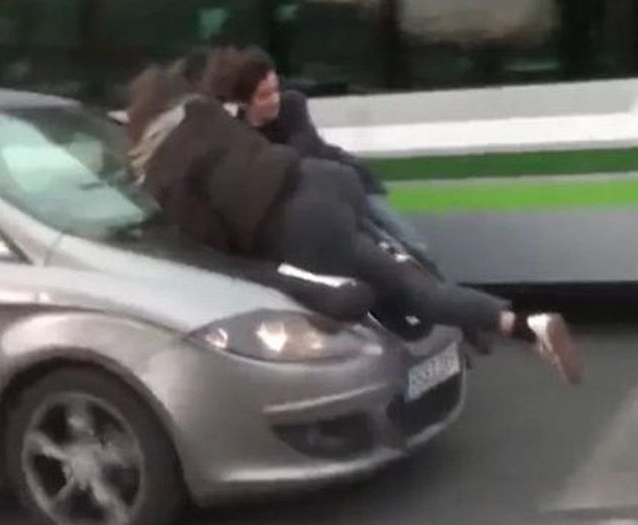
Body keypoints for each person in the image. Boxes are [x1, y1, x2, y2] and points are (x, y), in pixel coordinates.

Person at [125, 52, 582, 385]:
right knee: (406, 284)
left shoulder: (162, 175)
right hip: (326, 183)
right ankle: (520, 325)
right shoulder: (200, 112)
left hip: (296, 226)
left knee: (379, 298)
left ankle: (423, 363)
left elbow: (211, 241)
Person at [228, 45, 441, 275]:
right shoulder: (239, 135)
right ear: (243, 101)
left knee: (412, 244)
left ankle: (441, 287)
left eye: (275, 90)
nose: (274, 100)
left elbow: (304, 148)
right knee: (379, 255)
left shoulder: (292, 104)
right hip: (323, 204)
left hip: (353, 182)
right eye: (264, 95)